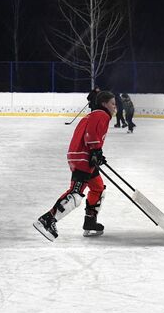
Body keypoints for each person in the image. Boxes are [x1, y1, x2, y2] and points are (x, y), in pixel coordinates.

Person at [34, 90, 115, 239]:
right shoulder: (101, 115)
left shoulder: (93, 114)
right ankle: (47, 220)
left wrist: (97, 154)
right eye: (112, 104)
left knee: (97, 188)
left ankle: (90, 223)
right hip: (83, 157)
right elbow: (91, 133)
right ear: (104, 104)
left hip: (80, 155)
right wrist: (96, 151)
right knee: (75, 194)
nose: (115, 107)